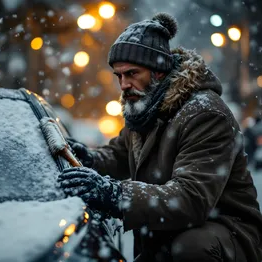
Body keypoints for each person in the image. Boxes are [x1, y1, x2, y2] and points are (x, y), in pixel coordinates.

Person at [57, 12, 262, 261]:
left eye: (132, 73)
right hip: (170, 232)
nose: (123, 84)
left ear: (159, 73)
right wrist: (89, 159)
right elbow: (121, 154)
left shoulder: (205, 114)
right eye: (119, 76)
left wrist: (114, 195)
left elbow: (190, 199)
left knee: (191, 246)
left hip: (226, 235)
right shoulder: (145, 108)